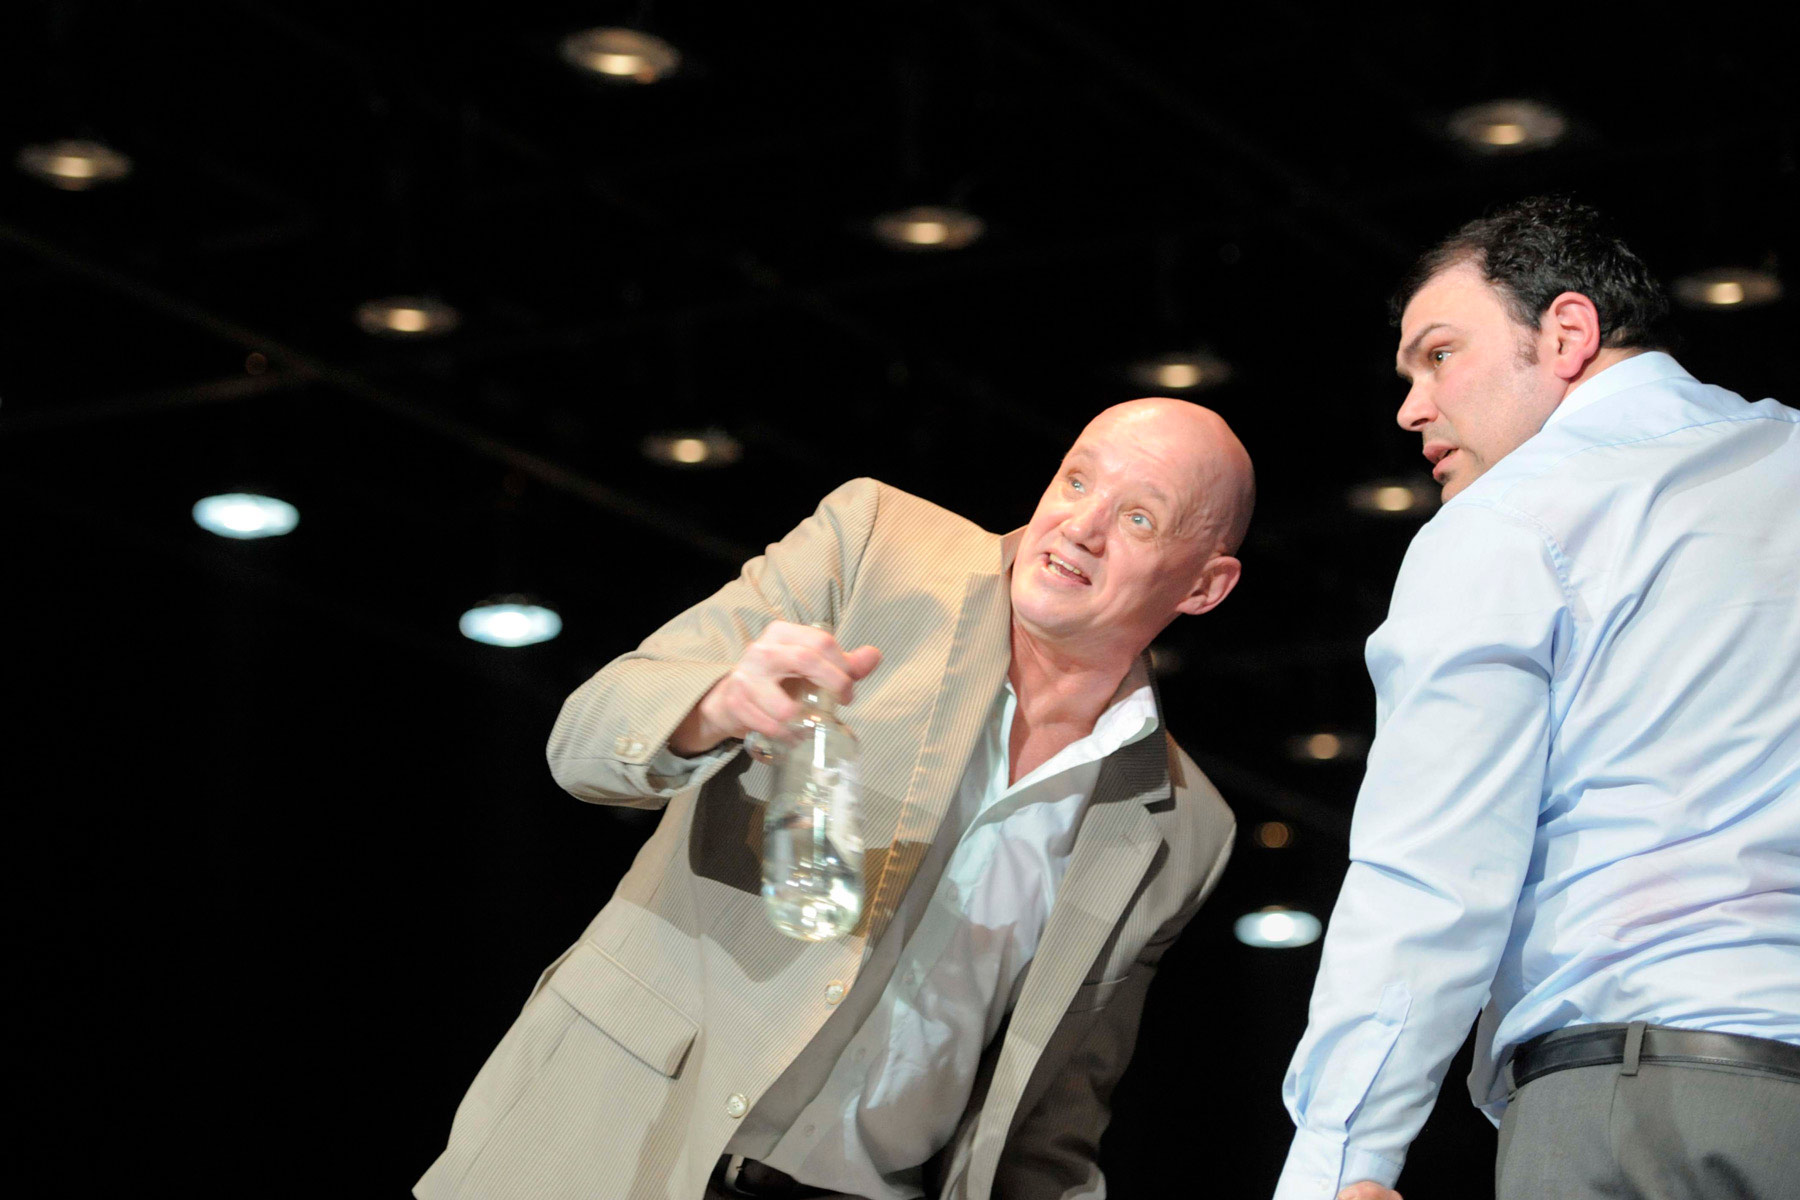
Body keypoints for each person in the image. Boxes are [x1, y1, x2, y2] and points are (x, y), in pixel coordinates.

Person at [419, 398, 1346, 1200]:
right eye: (1076, 480)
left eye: (1139, 518)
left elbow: (1049, 1123)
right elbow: (585, 740)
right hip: (613, 1138)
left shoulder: (1183, 824)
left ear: (1205, 585)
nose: (1080, 526)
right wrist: (715, 706)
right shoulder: (877, 547)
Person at [1274, 196, 1800, 1200]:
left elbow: (1432, 874)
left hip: (1640, 1106)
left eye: (1440, 355)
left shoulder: (1508, 518)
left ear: (1567, 332)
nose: (1412, 408)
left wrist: (1340, 1160)